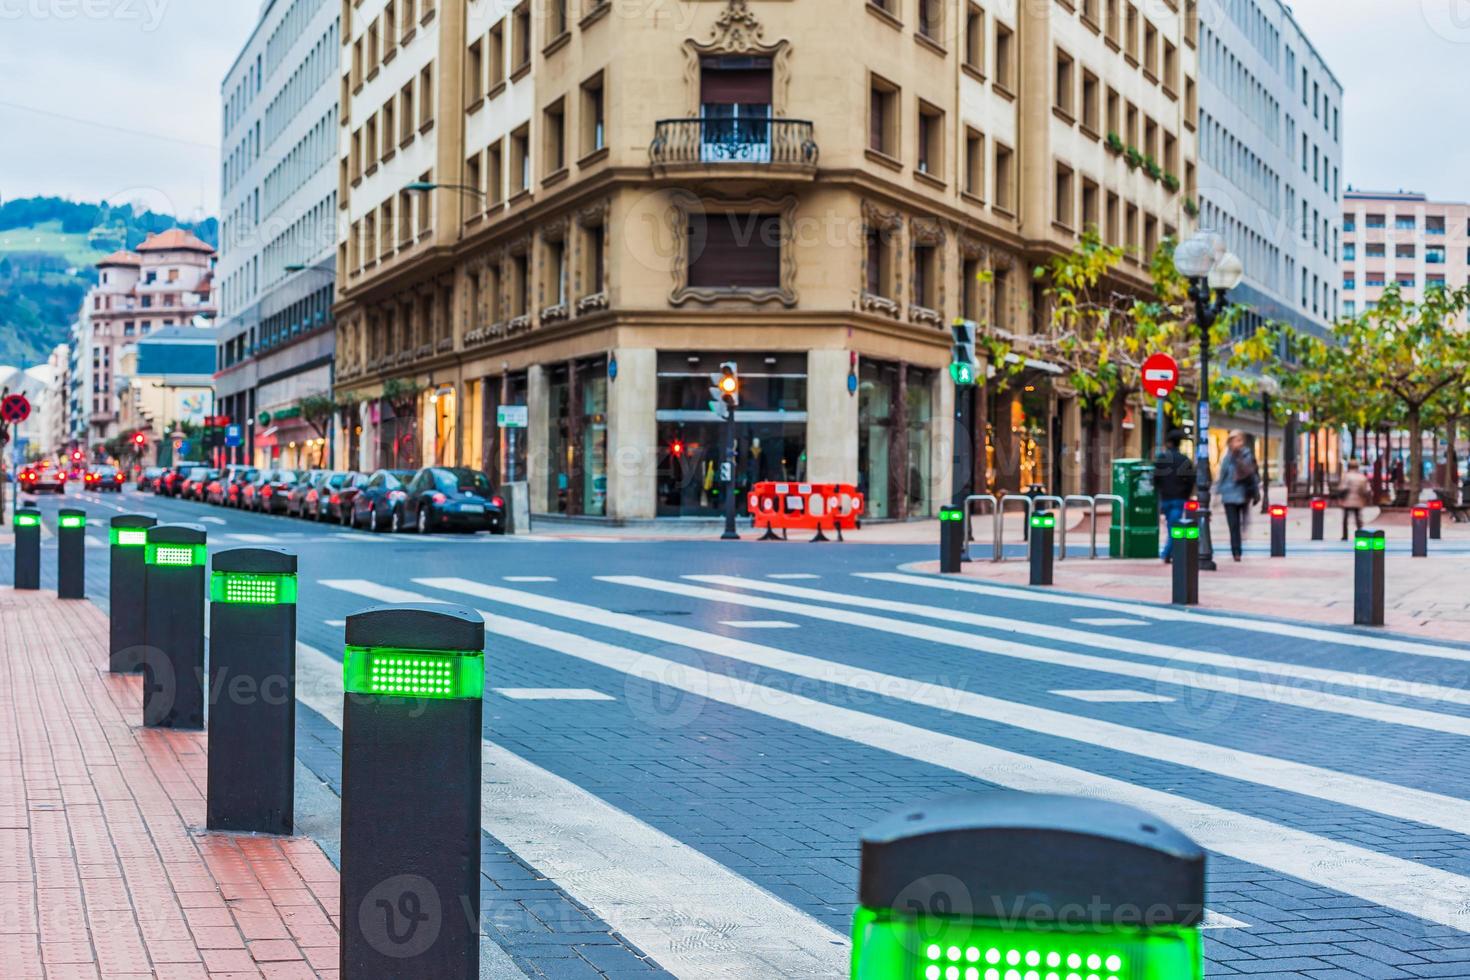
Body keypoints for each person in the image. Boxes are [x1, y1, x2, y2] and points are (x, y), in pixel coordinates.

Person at [1214, 430, 1260, 562]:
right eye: (1235, 440)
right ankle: (1236, 551)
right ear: (1230, 442)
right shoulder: (1227, 458)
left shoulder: (1247, 455)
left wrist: (1256, 492)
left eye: (1239, 440)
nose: (1237, 443)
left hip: (1243, 494)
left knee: (1241, 523)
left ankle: (1238, 545)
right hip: (1229, 495)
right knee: (1233, 525)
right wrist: (1217, 493)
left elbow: (1253, 475)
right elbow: (1222, 476)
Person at [1153, 429, 1196, 562]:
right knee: (1174, 526)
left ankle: (1168, 552)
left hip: (1166, 498)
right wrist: (1186, 494)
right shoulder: (1184, 460)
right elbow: (1191, 480)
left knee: (1171, 525)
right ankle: (1167, 553)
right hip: (1179, 498)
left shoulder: (1162, 458)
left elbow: (1155, 478)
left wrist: (1161, 491)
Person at [1339, 458, 1370, 539]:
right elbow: (1366, 490)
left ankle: (1345, 535)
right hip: (1358, 500)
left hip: (1347, 500)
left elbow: (1342, 488)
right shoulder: (1362, 477)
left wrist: (1341, 498)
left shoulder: (1346, 476)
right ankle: (1360, 535)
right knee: (1358, 518)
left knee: (1345, 519)